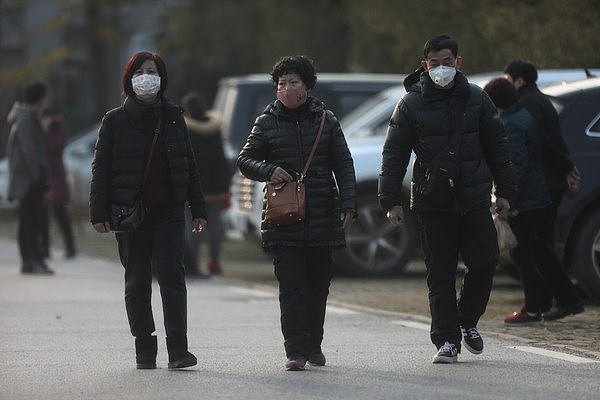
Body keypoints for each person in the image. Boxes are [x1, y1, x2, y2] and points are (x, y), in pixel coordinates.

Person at [378, 35, 516, 364]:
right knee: (439, 273)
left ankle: (466, 320)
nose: (442, 69)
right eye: (435, 63)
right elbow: (393, 154)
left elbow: (499, 148)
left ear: (458, 62)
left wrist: (505, 192)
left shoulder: (477, 99)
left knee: (484, 263)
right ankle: (447, 339)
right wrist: (390, 201)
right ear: (425, 65)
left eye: (447, 62)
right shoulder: (410, 104)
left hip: (473, 198)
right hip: (432, 199)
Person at [237, 55, 357, 371]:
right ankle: (295, 350)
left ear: (307, 86)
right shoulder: (266, 122)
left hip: (322, 216)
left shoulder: (325, 120)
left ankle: (313, 344)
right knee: (291, 287)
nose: (287, 88)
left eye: (293, 82)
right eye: (281, 84)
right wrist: (269, 169)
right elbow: (245, 160)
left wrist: (349, 203)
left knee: (318, 286)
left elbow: (343, 163)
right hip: (282, 219)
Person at [89, 51, 207, 370]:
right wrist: (98, 212)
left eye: (152, 71)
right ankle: (144, 347)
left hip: (168, 211)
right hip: (130, 214)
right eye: (140, 71)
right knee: (138, 280)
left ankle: (178, 349)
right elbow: (101, 169)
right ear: (130, 79)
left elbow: (188, 165)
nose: (146, 77)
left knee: (172, 275)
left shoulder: (173, 116)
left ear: (162, 78)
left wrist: (198, 208)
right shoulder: (113, 121)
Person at [483, 78, 585, 325]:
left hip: (524, 200)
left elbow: (516, 166)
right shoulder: (525, 116)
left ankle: (535, 307)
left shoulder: (509, 125)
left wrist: (508, 198)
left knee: (523, 253)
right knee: (539, 251)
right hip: (537, 195)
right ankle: (559, 299)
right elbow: (545, 146)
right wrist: (567, 167)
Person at [180, 91, 231, 278]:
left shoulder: (185, 129)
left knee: (192, 226)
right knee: (215, 226)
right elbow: (221, 158)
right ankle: (214, 262)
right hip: (216, 186)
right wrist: (225, 186)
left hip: (193, 188)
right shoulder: (215, 128)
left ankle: (192, 262)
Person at [6, 81, 54, 275]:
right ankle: (33, 260)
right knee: (32, 220)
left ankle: (30, 261)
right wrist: (37, 174)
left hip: (28, 176)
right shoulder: (26, 117)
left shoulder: (27, 116)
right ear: (40, 99)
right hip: (29, 178)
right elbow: (28, 148)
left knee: (29, 219)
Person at [40, 110, 77, 259]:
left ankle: (70, 247)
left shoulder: (56, 130)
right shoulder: (41, 131)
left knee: (60, 213)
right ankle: (44, 248)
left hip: (57, 176)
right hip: (45, 177)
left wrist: (47, 130)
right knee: (43, 215)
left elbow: (55, 146)